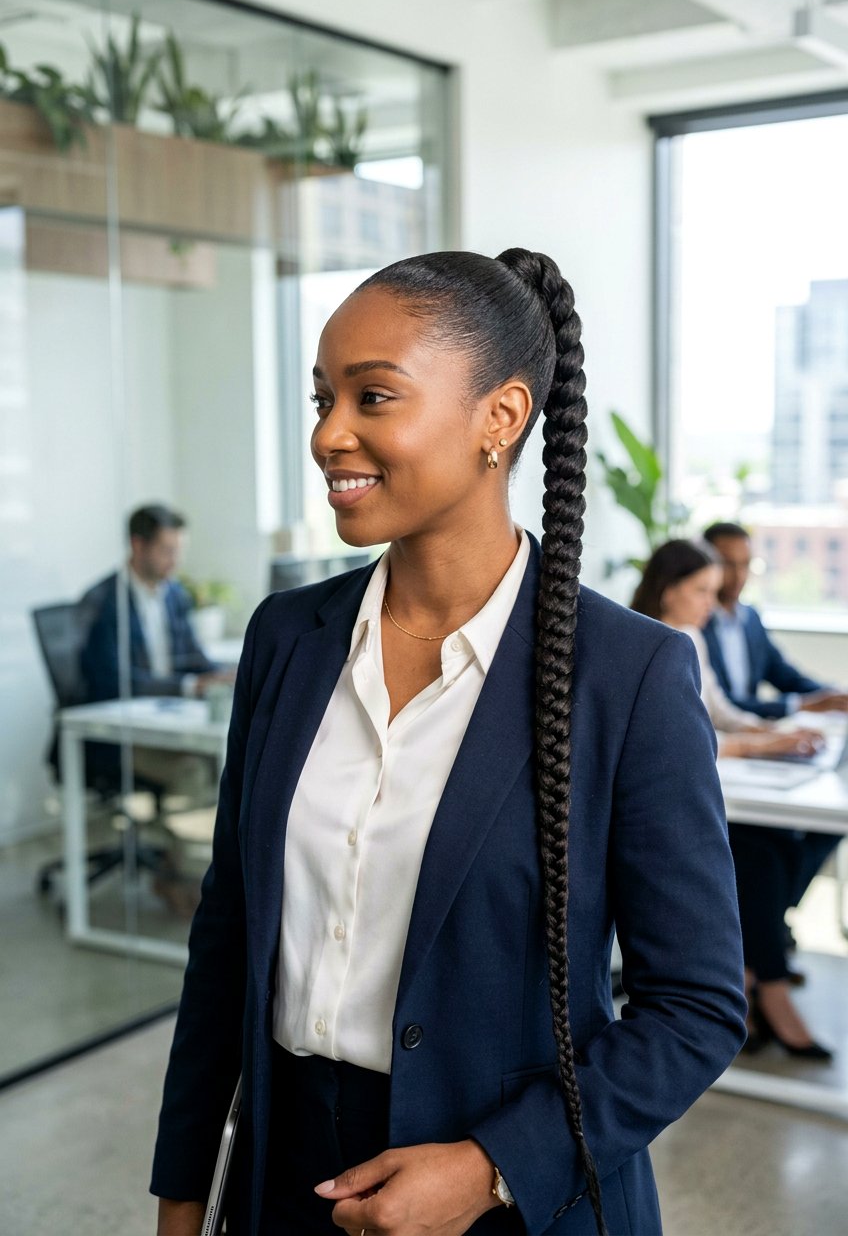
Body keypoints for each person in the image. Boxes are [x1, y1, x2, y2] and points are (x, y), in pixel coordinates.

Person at [152, 250, 746, 1236]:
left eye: (371, 396)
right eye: (320, 398)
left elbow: (691, 1006)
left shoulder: (624, 674)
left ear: (499, 418)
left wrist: (489, 1168)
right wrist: (182, 1202)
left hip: (514, 1197)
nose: (327, 434)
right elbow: (226, 940)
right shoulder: (285, 639)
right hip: (282, 1182)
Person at [632, 539, 834, 1062]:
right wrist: (765, 743)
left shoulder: (692, 636)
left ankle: (751, 968)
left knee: (782, 844)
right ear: (668, 589)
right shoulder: (653, 642)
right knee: (762, 855)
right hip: (670, 800)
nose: (710, 603)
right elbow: (689, 740)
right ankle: (768, 986)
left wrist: (774, 731)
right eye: (700, 591)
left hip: (724, 778)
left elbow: (717, 711)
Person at [80, 503, 232, 796]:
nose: (175, 561)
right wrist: (190, 685)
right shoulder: (102, 602)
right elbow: (115, 681)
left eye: (179, 550)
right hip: (120, 737)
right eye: (167, 550)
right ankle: (184, 842)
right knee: (196, 772)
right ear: (138, 545)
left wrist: (223, 676)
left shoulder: (173, 594)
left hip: (167, 722)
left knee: (235, 759)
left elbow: (192, 656)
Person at [702, 521, 848, 719]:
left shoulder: (750, 618)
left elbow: (785, 676)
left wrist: (833, 694)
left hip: (754, 730)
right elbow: (720, 705)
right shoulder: (696, 624)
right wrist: (799, 706)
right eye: (728, 564)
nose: (738, 575)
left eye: (745, 564)